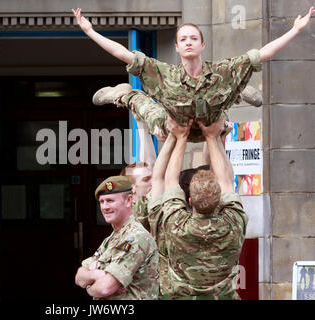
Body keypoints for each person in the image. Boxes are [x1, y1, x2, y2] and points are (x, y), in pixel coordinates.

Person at [71, 7, 315, 142]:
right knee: (144, 104)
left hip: (211, 122)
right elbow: (124, 54)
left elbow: (262, 54)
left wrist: (294, 30)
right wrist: (91, 32)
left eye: (193, 39)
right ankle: (123, 93)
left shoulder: (222, 71)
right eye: (183, 39)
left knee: (223, 105)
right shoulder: (164, 74)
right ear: (176, 47)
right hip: (173, 126)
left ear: (202, 45)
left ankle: (236, 91)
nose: (188, 43)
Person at [146, 116, 247, 300]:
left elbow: (165, 179)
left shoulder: (174, 226)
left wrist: (179, 137)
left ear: (190, 201)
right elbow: (225, 179)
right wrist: (214, 138)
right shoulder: (233, 224)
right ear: (219, 202)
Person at [74, 175, 159, 300]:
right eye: (102, 202)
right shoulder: (112, 239)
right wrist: (96, 275)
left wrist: (89, 287)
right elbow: (79, 277)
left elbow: (105, 288)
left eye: (110, 201)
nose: (105, 207)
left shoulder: (135, 237)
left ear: (129, 200)